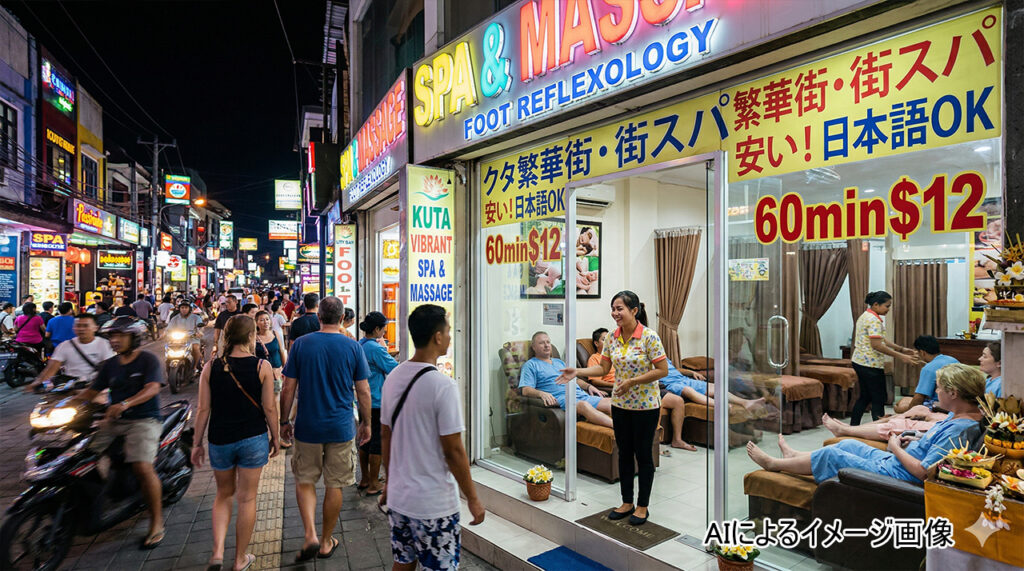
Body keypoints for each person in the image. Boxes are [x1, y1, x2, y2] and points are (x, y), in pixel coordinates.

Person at [748, 363, 986, 485]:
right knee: (848, 445)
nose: (936, 391)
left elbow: (924, 472)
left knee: (832, 453)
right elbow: (934, 449)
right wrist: (912, 439)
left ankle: (774, 464)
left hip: (899, 475)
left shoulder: (960, 429)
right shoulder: (959, 418)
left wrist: (894, 447)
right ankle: (795, 455)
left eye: (940, 388)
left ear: (953, 393)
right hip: (896, 462)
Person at [381, 304, 485, 570]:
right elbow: (453, 451)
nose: (450, 336)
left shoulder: (393, 376)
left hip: (400, 499)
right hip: (433, 505)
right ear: (437, 337)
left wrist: (389, 483)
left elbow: (386, 436)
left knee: (402, 562)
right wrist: (472, 498)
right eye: (448, 330)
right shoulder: (443, 386)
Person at [558, 291, 668, 526]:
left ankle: (642, 506)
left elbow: (662, 370)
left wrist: (632, 381)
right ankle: (626, 502)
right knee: (625, 453)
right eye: (613, 308)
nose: (615, 313)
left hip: (646, 407)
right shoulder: (612, 338)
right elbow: (602, 368)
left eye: (620, 309)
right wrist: (576, 372)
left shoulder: (649, 337)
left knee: (643, 456)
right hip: (620, 405)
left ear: (634, 311)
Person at [279, 296, 372, 562]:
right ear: (342, 318)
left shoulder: (301, 345)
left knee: (305, 480)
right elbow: (363, 390)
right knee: (335, 484)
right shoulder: (352, 347)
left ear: (318, 317)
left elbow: (288, 388)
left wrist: (284, 422)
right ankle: (326, 540)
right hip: (341, 427)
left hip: (307, 426)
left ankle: (310, 534)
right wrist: (366, 422)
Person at [191, 315, 280, 571]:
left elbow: (203, 409)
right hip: (253, 438)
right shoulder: (261, 366)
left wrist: (197, 443)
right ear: (251, 336)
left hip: (220, 439)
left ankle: (217, 553)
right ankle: (240, 559)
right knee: (247, 499)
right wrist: (275, 436)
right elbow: (269, 408)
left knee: (223, 495)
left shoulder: (211, 367)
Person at [71, 317, 165, 548]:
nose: (114, 340)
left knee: (142, 466)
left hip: (144, 419)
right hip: (113, 420)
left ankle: (157, 522)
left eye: (120, 336)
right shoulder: (110, 365)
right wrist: (63, 404)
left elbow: (152, 388)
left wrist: (125, 404)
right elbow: (93, 391)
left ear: (134, 338)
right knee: (81, 457)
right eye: (112, 336)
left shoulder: (148, 360)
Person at [659, 358, 767, 451]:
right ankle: (719, 405)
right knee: (688, 390)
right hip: (671, 384)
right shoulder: (649, 357)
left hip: (684, 379)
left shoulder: (663, 356)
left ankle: (745, 403)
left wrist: (691, 373)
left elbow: (675, 369)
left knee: (715, 387)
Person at [849, 291, 918, 425]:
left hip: (860, 361)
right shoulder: (873, 320)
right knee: (878, 398)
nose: (888, 309)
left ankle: (854, 426)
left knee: (865, 396)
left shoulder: (866, 315)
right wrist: (901, 356)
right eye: (887, 306)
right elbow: (877, 345)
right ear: (876, 304)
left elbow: (881, 339)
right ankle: (879, 429)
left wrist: (901, 349)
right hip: (870, 364)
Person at [520, 331, 613, 427]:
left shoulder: (559, 362)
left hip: (580, 395)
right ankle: (618, 428)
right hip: (562, 398)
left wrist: (589, 386)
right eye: (541, 343)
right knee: (583, 405)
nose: (546, 345)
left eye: (548, 342)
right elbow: (525, 390)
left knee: (611, 402)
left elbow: (575, 379)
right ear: (534, 347)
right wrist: (541, 393)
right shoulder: (530, 365)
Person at [356, 312, 398, 496]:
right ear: (376, 329)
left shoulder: (361, 344)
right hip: (377, 400)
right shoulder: (375, 348)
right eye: (383, 328)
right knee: (377, 443)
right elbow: (393, 368)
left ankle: (365, 478)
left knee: (365, 440)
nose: (384, 331)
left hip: (362, 399)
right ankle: (374, 483)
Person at [28, 313, 115, 391]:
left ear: (96, 328)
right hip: (70, 388)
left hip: (94, 388)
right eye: (78, 325)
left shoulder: (104, 344)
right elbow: (51, 368)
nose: (81, 329)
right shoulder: (65, 346)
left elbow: (108, 368)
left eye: (85, 326)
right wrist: (37, 382)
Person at [894, 335, 959, 413]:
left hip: (940, 406)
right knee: (905, 400)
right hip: (957, 404)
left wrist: (907, 415)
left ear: (922, 352)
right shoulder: (952, 359)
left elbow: (919, 398)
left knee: (899, 406)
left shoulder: (928, 369)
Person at [254, 311, 287, 393]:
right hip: (262, 375)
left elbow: (281, 351)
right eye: (262, 320)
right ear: (256, 323)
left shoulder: (275, 333)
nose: (266, 322)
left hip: (277, 373)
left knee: (276, 397)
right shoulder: (254, 338)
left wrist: (285, 370)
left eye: (267, 319)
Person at [168, 301, 206, 370]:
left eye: (186, 307)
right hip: (177, 339)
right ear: (179, 309)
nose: (184, 309)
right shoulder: (175, 318)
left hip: (193, 338)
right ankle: (168, 366)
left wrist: (199, 332)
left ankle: (195, 367)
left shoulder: (196, 317)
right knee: (168, 349)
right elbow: (169, 328)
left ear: (189, 309)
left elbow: (200, 326)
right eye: (182, 307)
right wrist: (165, 334)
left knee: (195, 348)